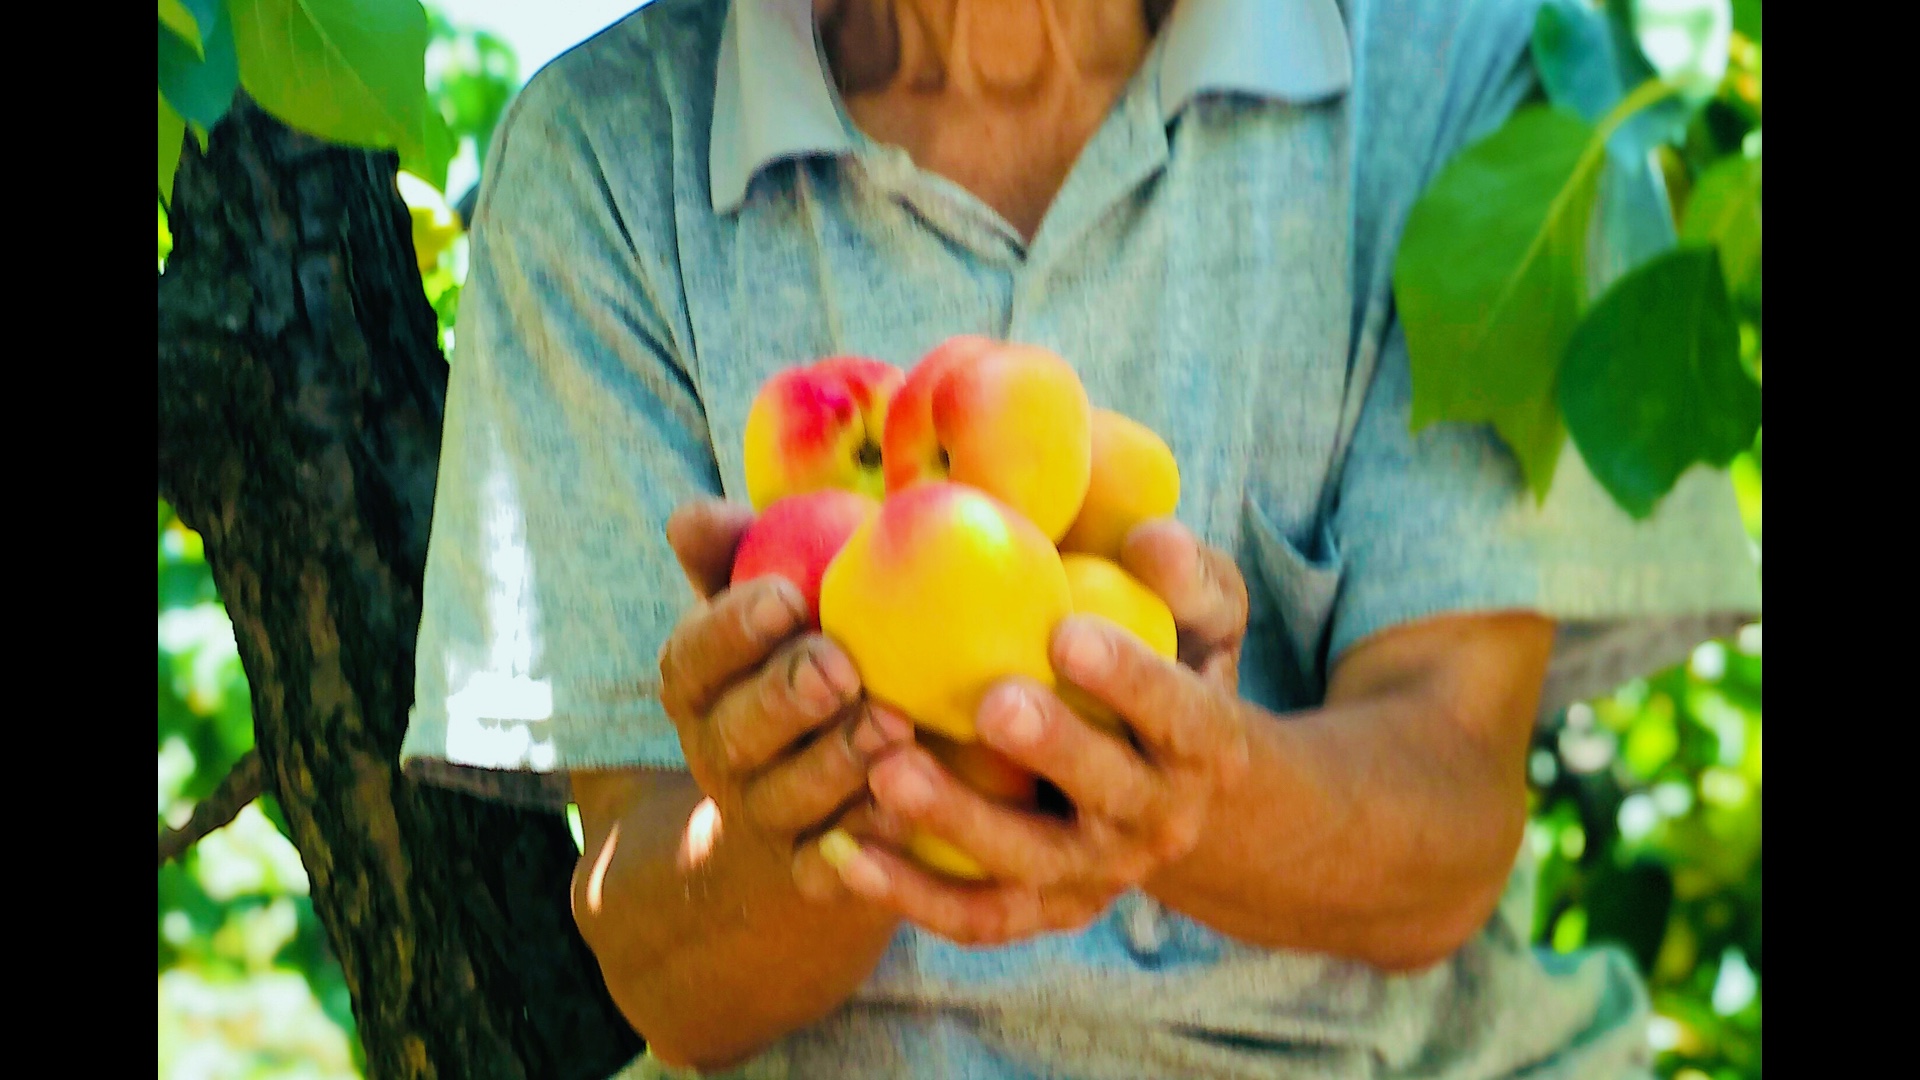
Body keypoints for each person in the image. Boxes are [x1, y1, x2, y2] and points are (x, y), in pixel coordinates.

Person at [399, 0, 1762, 1076]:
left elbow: (1446, 827)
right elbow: (664, 960)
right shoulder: (608, 158)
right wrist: (824, 818)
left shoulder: (1470, 70)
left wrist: (1192, 791)